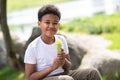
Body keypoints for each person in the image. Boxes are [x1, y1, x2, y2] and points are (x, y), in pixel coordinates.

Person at [24, 4, 102, 80]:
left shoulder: (61, 40)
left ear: (58, 25)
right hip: (45, 78)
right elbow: (30, 77)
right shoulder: (33, 47)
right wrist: (52, 67)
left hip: (64, 74)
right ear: (39, 24)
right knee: (66, 79)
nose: (51, 26)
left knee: (92, 73)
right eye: (47, 22)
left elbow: (68, 67)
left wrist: (63, 61)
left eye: (55, 23)